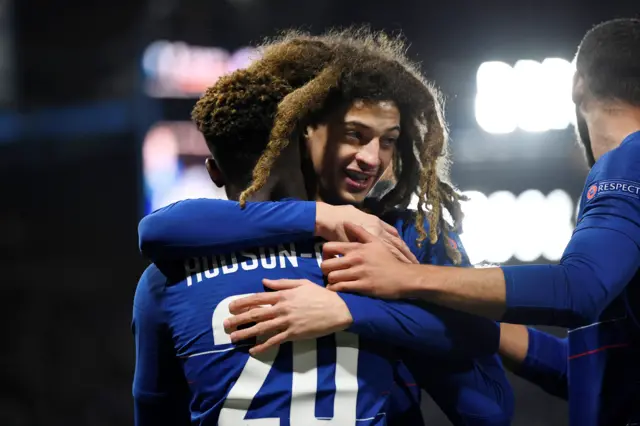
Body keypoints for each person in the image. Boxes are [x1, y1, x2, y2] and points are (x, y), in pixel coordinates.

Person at [134, 30, 513, 425]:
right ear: (302, 128)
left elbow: (158, 229)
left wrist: (352, 312)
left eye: (389, 141)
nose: (372, 158)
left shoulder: (173, 268)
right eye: (355, 134)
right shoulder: (402, 240)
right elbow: (488, 408)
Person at [314, 18, 640, 426]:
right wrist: (445, 313)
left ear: (577, 83)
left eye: (388, 140)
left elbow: (578, 289)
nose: (372, 156)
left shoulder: (632, 158)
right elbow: (600, 376)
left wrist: (406, 279)